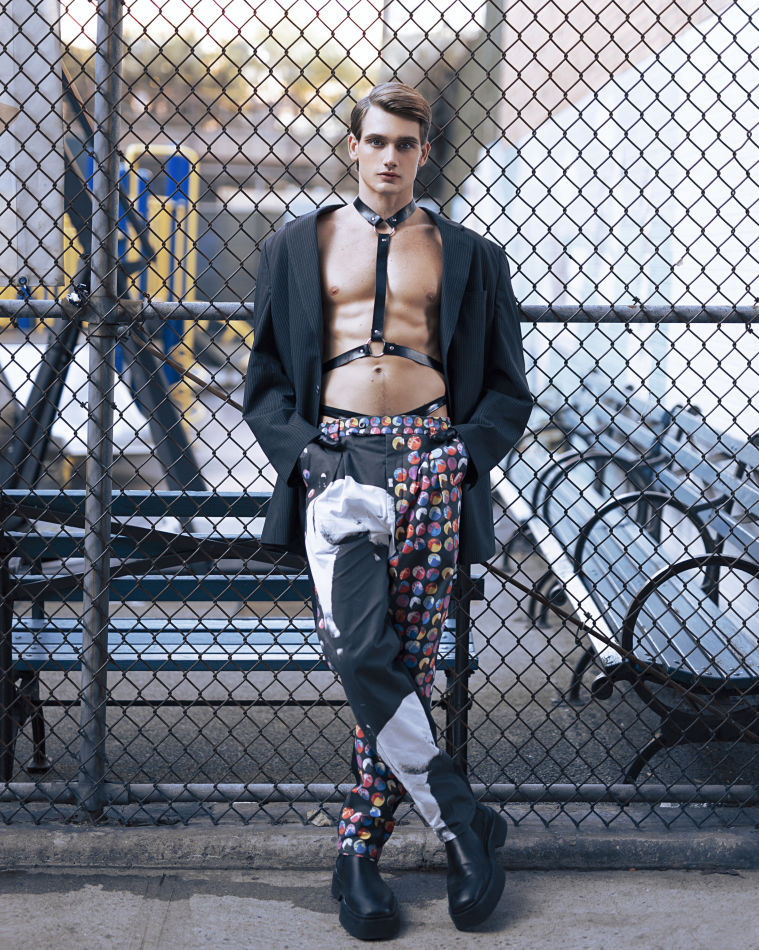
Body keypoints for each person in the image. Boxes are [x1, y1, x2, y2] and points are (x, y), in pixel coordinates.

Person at [243, 81, 533, 939]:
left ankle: (358, 855)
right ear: (352, 146)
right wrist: (304, 455)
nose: (389, 157)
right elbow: (265, 379)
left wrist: (462, 456)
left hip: (431, 463)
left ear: (423, 153)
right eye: (375, 140)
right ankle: (460, 822)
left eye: (405, 144)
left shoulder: (469, 255)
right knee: (364, 652)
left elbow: (507, 390)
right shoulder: (295, 246)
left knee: (405, 670)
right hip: (336, 466)